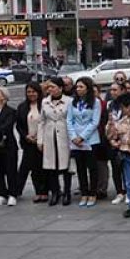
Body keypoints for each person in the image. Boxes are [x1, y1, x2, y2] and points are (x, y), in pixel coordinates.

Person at [67, 77, 102, 207]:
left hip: (90, 139)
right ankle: (84, 193)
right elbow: (69, 120)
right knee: (80, 169)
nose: (78, 89)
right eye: (77, 87)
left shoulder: (96, 102)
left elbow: (94, 122)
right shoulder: (72, 102)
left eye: (81, 87)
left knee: (92, 168)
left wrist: (82, 137)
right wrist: (74, 137)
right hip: (75, 140)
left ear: (87, 88)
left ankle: (93, 193)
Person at [39, 77, 72, 206]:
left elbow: (71, 120)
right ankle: (55, 192)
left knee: (66, 167)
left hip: (64, 136)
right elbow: (41, 121)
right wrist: (40, 140)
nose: (50, 89)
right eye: (48, 87)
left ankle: (67, 192)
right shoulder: (44, 102)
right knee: (51, 167)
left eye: (53, 87)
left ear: (60, 88)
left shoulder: (69, 101)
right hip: (49, 137)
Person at [16, 83, 44, 203]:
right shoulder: (22, 107)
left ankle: (42, 192)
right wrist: (26, 136)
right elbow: (19, 125)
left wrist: (40, 137)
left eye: (34, 91)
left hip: (42, 141)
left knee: (40, 168)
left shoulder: (44, 105)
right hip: (28, 142)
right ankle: (16, 190)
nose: (31, 94)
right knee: (26, 167)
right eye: (29, 92)